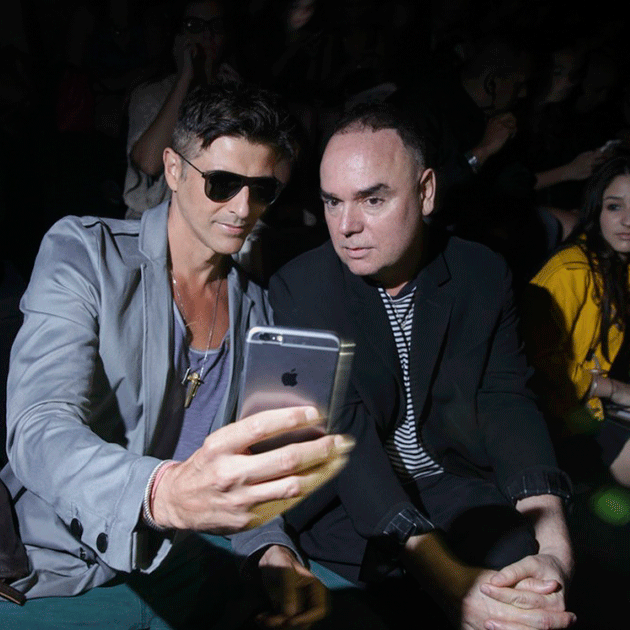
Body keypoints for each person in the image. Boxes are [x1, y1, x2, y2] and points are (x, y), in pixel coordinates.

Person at [0, 82, 353, 628]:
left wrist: (271, 551)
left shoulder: (258, 311)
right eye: (222, 183)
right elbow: (38, 428)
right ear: (173, 169)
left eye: (262, 190)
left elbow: (248, 478)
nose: (243, 208)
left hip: (187, 561)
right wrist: (159, 492)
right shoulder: (85, 254)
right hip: (61, 568)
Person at [268, 103, 576, 629]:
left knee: (528, 578)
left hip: (451, 480)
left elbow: (506, 399)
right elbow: (346, 441)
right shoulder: (302, 289)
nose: (346, 226)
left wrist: (554, 547)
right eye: (332, 202)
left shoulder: (480, 271)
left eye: (373, 199)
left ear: (426, 191)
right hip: (348, 502)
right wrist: (454, 586)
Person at [524, 153, 630, 488]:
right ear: (597, 210)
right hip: (550, 423)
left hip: (587, 412)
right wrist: (613, 390)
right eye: (615, 206)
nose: (627, 220)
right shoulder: (571, 270)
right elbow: (533, 366)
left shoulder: (620, 268)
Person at [124, 0, 238, 218]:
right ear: (178, 35)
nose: (207, 35)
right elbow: (148, 163)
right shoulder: (152, 93)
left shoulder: (235, 88)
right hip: (155, 218)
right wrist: (185, 78)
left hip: (216, 217)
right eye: (195, 26)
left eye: (216, 26)